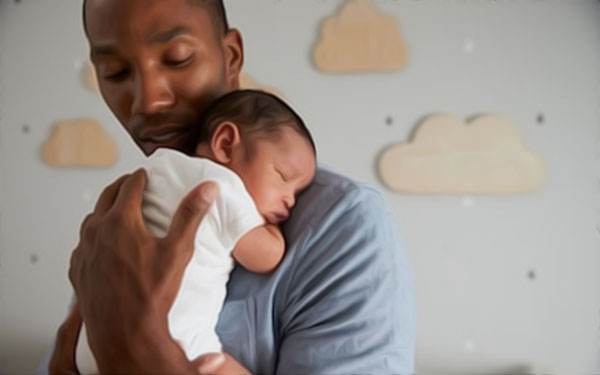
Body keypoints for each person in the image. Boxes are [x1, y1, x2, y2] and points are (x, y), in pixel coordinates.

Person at [45, 0, 415, 373]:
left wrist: (143, 353)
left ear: (231, 57)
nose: (149, 100)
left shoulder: (342, 226)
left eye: (178, 58)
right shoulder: (123, 213)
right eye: (115, 71)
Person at [75, 89, 317, 374]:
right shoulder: (223, 187)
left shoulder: (157, 166)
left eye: (297, 192)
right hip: (177, 342)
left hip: (91, 344)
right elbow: (267, 257)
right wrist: (272, 229)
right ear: (226, 144)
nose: (290, 199)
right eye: (283, 176)